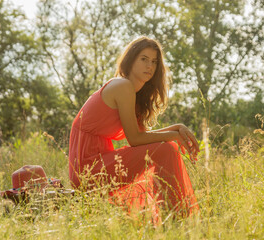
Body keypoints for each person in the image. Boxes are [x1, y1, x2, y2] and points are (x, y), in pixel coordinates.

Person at [68, 36, 200, 217]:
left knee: (166, 147)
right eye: (144, 59)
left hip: (102, 160)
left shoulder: (133, 94)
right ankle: (174, 216)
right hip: (88, 169)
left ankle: (172, 215)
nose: (150, 66)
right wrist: (173, 135)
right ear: (130, 60)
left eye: (154, 62)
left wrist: (175, 128)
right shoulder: (122, 86)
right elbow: (135, 140)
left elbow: (142, 139)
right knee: (167, 148)